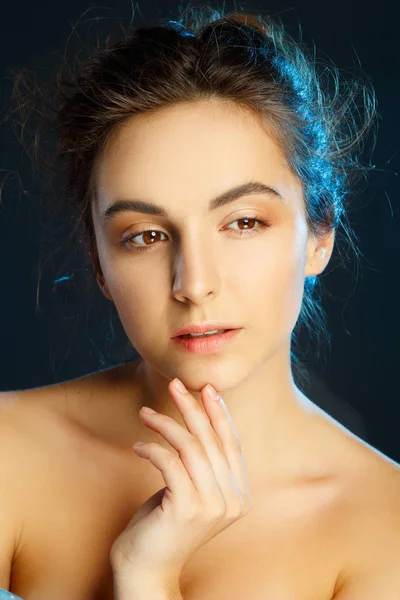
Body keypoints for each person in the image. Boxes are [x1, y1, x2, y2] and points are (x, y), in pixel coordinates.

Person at [1, 4, 400, 599]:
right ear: (99, 264)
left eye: (242, 222)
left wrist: (147, 577)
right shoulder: (9, 448)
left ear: (320, 235)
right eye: (146, 236)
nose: (194, 282)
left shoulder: (385, 527)